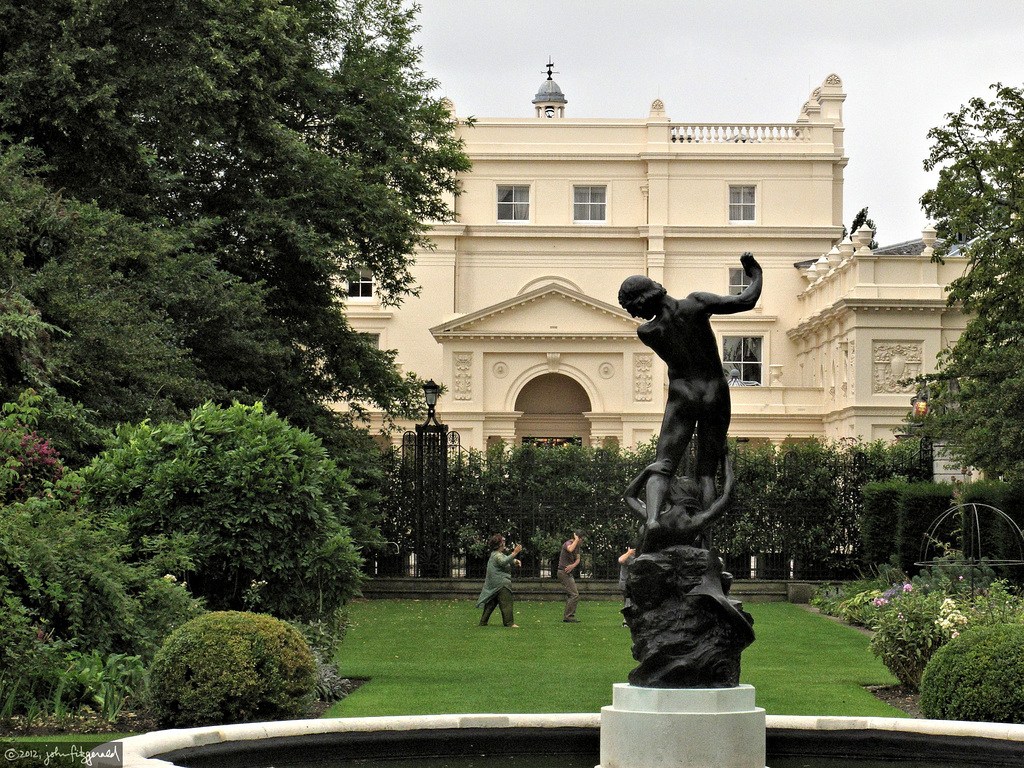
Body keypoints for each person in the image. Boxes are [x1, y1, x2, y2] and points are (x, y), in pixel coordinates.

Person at [617, 252, 762, 528]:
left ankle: (652, 522)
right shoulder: (696, 304)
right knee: (706, 472)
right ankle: (703, 536)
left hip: (683, 394)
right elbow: (747, 300)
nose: (635, 314)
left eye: (633, 307)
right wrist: (755, 273)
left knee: (664, 464)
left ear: (644, 300)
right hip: (714, 391)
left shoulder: (647, 332)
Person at [476, 534, 522, 627]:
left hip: (495, 584)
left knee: (490, 603)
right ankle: (509, 623)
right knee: (506, 603)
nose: (504, 543)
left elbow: (505, 559)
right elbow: (503, 561)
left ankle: (483, 621)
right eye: (503, 541)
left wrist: (515, 561)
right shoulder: (497, 556)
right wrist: (514, 553)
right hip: (502, 583)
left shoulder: (496, 554)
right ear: (500, 544)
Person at [557, 530, 583, 623]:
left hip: (568, 572)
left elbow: (578, 559)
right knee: (574, 594)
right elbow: (570, 549)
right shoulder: (568, 543)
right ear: (577, 538)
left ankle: (568, 616)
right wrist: (576, 540)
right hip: (563, 572)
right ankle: (568, 616)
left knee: (572, 594)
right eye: (581, 539)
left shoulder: (577, 547)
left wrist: (572, 566)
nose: (582, 542)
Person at [617, 546, 636, 626]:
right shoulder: (628, 557)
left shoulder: (638, 557)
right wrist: (628, 553)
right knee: (628, 601)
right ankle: (626, 621)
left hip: (632, 583)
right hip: (625, 583)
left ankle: (631, 619)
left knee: (631, 602)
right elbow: (620, 560)